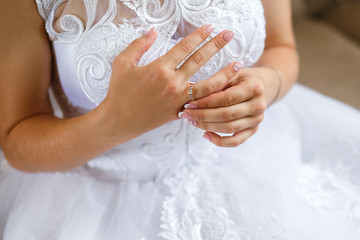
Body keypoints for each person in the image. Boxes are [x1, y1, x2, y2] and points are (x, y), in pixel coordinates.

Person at [0, 0, 359, 239]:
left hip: (253, 160)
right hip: (96, 196)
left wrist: (267, 83)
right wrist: (114, 122)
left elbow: (282, 47)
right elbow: (18, 139)